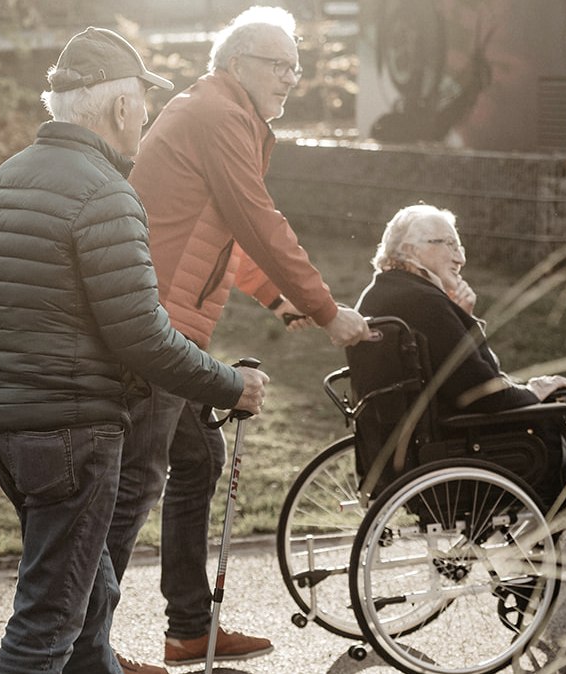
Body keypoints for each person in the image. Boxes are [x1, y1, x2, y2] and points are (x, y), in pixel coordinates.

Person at [0, 27, 269, 674]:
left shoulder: (2, 182)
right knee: (48, 624)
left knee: (92, 603)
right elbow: (142, 336)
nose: (146, 117)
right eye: (142, 104)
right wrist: (230, 385)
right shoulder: (107, 194)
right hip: (74, 440)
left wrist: (21, 368)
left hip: (6, 437)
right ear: (122, 108)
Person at [106, 7, 370, 671]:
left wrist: (282, 299)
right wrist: (324, 307)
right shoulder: (219, 115)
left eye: (296, 66)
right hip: (155, 325)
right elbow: (257, 218)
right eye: (277, 64)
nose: (291, 77)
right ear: (235, 64)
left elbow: (224, 228)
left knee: (194, 462)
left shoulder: (222, 111)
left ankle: (190, 629)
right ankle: (81, 650)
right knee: (134, 484)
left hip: (173, 325)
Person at [355, 203, 566, 576]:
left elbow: (459, 373)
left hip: (416, 443)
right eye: (447, 244)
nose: (460, 257)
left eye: (459, 246)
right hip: (462, 443)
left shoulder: (383, 295)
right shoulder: (425, 302)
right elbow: (484, 388)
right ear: (411, 251)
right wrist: (532, 393)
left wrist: (462, 316)